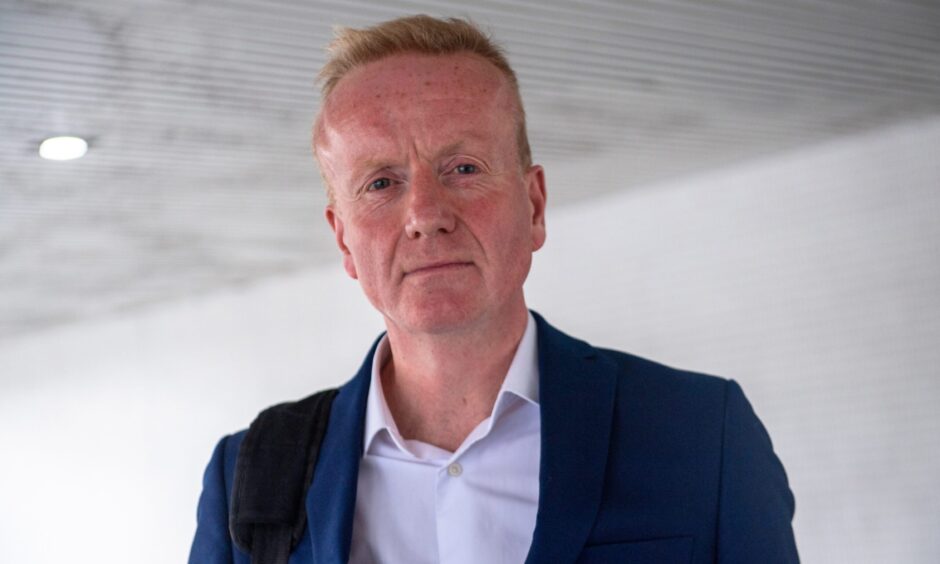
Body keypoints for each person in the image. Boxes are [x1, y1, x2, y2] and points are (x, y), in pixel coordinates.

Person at [189, 15, 799, 564]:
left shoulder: (701, 435)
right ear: (344, 240)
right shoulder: (248, 476)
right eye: (380, 183)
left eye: (464, 169)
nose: (426, 213)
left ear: (533, 207)